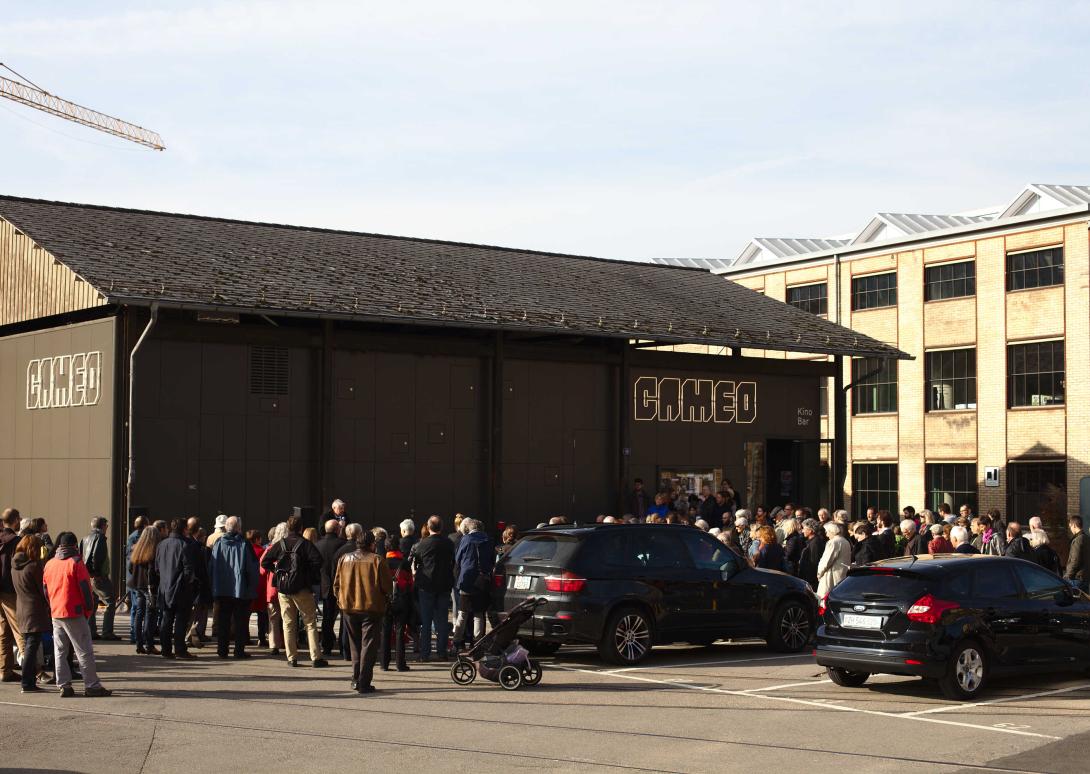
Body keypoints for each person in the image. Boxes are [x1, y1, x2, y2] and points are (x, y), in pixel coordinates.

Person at [43, 532, 111, 697]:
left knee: (60, 650)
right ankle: (92, 685)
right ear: (74, 546)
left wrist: (51, 605)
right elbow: (85, 590)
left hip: (56, 611)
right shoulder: (76, 562)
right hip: (74, 611)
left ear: (60, 545)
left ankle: (64, 685)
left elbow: (45, 590)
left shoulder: (50, 563)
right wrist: (88, 610)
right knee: (84, 650)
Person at [260, 515, 327, 668]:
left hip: (283, 588)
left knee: (288, 623)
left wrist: (277, 572)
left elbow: (265, 562)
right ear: (301, 528)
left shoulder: (280, 544)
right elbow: (318, 561)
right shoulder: (305, 544)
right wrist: (306, 574)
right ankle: (315, 657)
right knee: (310, 622)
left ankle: (291, 658)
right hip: (302, 588)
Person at [334, 529, 392, 694]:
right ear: (372, 544)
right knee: (368, 646)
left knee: (355, 645)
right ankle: (364, 682)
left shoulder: (344, 559)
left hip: (349, 607)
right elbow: (387, 587)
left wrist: (341, 600)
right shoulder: (377, 561)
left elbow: (336, 584)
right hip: (371, 608)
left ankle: (356, 678)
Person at [209, 516, 259, 659]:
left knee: (223, 621)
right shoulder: (244, 544)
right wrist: (251, 588)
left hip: (222, 588)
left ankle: (222, 650)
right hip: (240, 590)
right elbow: (252, 568)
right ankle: (239, 650)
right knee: (240, 622)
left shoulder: (219, 543)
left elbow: (212, 565)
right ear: (238, 528)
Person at [412, 516, 455, 662]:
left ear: (429, 527)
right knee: (442, 620)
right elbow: (453, 562)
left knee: (426, 621)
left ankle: (425, 654)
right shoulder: (449, 543)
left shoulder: (422, 544)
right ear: (441, 527)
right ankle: (442, 652)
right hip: (444, 585)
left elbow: (416, 562)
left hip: (426, 585)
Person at [12, 534, 51, 692]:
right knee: (31, 647)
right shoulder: (34, 567)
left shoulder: (14, 565)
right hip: (34, 610)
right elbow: (43, 589)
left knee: (29, 644)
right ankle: (27, 682)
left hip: (21, 609)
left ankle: (27, 681)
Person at [156, 519, 199, 660]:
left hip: (165, 586)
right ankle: (180, 650)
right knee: (181, 620)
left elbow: (157, 568)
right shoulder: (185, 545)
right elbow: (188, 569)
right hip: (181, 588)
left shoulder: (161, 545)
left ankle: (166, 649)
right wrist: (189, 583)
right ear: (184, 529)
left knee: (166, 619)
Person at [453, 518, 494, 646]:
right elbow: (492, 561)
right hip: (483, 581)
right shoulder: (489, 540)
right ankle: (477, 643)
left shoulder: (465, 539)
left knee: (463, 614)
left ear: (469, 528)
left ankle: (457, 642)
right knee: (478, 614)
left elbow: (458, 559)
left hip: (467, 580)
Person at [80, 517, 118, 640]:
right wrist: (97, 574)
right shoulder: (100, 538)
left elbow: (81, 556)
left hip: (88, 576)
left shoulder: (84, 539)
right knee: (110, 601)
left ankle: (91, 631)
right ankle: (107, 632)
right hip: (98, 576)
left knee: (92, 603)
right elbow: (97, 557)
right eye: (106, 525)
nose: (107, 528)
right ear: (103, 526)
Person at [127, 526, 162, 655]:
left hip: (136, 584)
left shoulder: (136, 549)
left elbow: (130, 568)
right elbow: (154, 572)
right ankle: (149, 644)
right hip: (149, 587)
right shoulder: (153, 551)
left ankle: (139, 643)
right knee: (150, 615)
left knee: (139, 613)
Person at [315, 519, 347, 657]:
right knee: (344, 617)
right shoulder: (342, 544)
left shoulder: (317, 545)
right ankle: (342, 646)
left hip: (325, 584)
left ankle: (327, 646)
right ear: (337, 530)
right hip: (341, 585)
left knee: (327, 618)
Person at [380, 543, 412, 672]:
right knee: (400, 631)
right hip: (401, 600)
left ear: (386, 548)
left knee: (385, 631)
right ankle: (400, 664)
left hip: (386, 600)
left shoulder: (382, 562)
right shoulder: (404, 563)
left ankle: (384, 663)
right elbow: (410, 582)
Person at [0, 508, 24, 683]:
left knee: (3, 632)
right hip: (10, 590)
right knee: (20, 630)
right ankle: (36, 671)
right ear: (15, 521)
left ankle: (5, 670)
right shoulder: (17, 541)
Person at [262, 522, 288, 656]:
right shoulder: (291, 547)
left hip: (272, 586)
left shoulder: (270, 548)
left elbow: (261, 569)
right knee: (289, 617)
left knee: (273, 618)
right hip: (288, 586)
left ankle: (274, 645)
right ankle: (289, 643)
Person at [124, 516, 147, 645]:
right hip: (135, 579)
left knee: (136, 607)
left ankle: (135, 633)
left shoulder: (133, 537)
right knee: (136, 607)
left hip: (132, 578)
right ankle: (134, 634)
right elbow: (131, 561)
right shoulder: (136, 538)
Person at [817, 523, 851, 599]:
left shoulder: (833, 542)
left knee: (826, 599)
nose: (826, 535)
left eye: (827, 532)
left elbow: (826, 561)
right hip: (841, 575)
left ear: (831, 531)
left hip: (831, 575)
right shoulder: (845, 541)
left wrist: (819, 573)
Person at [798, 518, 826, 591]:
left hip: (811, 580)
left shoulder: (815, 543)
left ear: (810, 530)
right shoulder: (812, 541)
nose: (802, 531)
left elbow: (814, 562)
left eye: (804, 528)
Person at [1065, 516, 1090, 591]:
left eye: (1070, 526)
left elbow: (1075, 560)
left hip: (1076, 578)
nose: (1070, 529)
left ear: (1074, 525)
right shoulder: (1087, 538)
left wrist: (1067, 576)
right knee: (1084, 602)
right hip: (1085, 577)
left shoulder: (1078, 540)